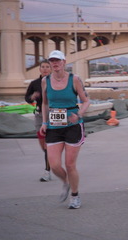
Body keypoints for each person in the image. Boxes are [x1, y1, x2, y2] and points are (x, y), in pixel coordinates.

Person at [39, 50, 90, 209]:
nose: (54, 63)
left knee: (69, 164)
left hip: (73, 126)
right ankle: (66, 182)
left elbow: (86, 101)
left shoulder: (74, 79)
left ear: (64, 62)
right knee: (54, 165)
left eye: (57, 61)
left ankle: (75, 196)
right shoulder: (45, 81)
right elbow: (45, 103)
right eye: (52, 61)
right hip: (54, 125)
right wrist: (44, 122)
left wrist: (79, 113)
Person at [25, 60, 52, 182]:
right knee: (43, 145)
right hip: (40, 115)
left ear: (51, 69)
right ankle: (51, 160)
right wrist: (32, 97)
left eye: (48, 67)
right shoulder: (35, 83)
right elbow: (27, 98)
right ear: (40, 69)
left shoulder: (56, 82)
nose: (45, 69)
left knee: (49, 145)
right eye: (43, 67)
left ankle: (47, 171)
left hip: (54, 115)